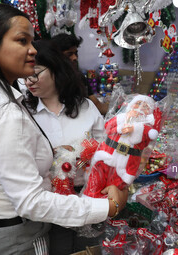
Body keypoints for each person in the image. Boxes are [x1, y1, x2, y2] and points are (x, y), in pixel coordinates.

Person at [0, 4, 128, 255]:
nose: (32, 50)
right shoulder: (4, 113)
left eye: (32, 42)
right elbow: (31, 202)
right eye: (22, 40)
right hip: (14, 237)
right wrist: (109, 207)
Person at [24, 39, 104, 254]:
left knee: (90, 249)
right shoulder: (24, 114)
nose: (29, 82)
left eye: (36, 73)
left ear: (55, 69)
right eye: (25, 77)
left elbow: (106, 150)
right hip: (48, 204)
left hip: (89, 196)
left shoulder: (85, 107)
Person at [84, 95, 159, 198]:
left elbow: (151, 136)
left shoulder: (145, 128)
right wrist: (120, 128)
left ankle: (107, 208)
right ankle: (89, 199)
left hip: (125, 166)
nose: (140, 108)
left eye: (145, 107)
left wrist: (134, 128)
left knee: (114, 188)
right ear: (131, 105)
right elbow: (107, 128)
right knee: (95, 182)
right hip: (105, 156)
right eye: (137, 104)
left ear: (148, 112)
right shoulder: (120, 118)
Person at [50, 33, 109, 115]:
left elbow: (97, 105)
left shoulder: (78, 77)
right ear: (57, 56)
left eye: (76, 53)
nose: (75, 58)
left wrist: (118, 109)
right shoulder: (49, 80)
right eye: (69, 54)